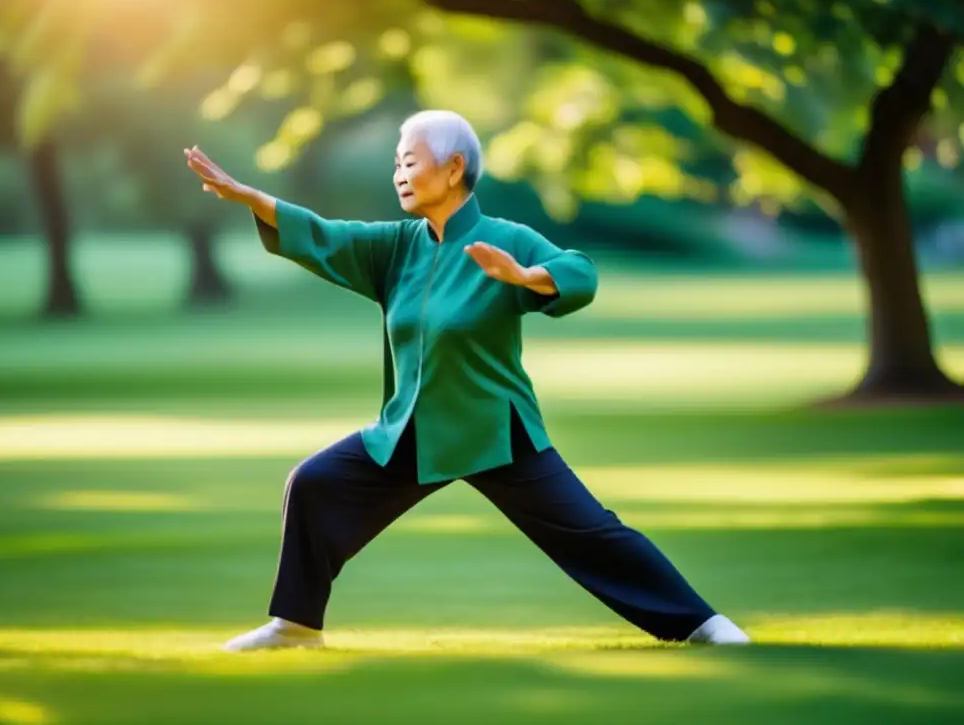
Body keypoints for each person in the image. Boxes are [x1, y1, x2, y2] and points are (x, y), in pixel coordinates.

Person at [184, 110, 750, 651]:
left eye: (409, 161)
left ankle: (705, 624)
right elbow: (328, 236)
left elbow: (582, 272)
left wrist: (529, 276)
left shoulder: (506, 236)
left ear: (454, 168)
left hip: (493, 430)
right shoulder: (397, 247)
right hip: (411, 430)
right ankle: (296, 626)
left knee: (591, 535)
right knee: (314, 483)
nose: (399, 174)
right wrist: (250, 197)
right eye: (396, 165)